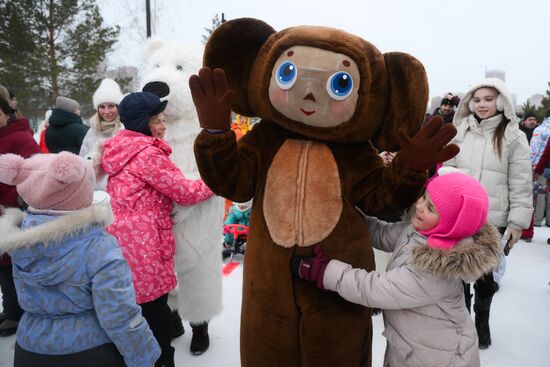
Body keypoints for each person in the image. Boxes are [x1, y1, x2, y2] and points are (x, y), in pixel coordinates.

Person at [292, 172, 501, 367]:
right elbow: (383, 234)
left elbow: (373, 289)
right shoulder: (424, 232)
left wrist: (324, 271)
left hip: (437, 359)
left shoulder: (435, 271)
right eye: (424, 197)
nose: (419, 206)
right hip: (414, 346)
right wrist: (350, 215)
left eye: (430, 208)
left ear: (451, 225)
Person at [0, 152, 160, 367]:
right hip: (90, 350)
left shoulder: (19, 240)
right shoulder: (98, 247)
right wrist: (144, 357)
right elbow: (119, 315)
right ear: (77, 193)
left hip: (30, 347)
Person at [102, 92, 214, 367]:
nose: (164, 126)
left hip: (122, 238)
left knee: (138, 304)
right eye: (158, 120)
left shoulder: (120, 148)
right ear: (143, 123)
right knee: (155, 310)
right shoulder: (147, 154)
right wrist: (214, 180)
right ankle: (162, 359)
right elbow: (184, 192)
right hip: (146, 240)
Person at [442, 78, 532, 349]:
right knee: (456, 275)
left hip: (493, 219)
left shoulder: (514, 136)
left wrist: (517, 223)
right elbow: (448, 173)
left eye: (488, 99)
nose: (482, 104)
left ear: (501, 101)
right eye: (477, 99)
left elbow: (520, 181)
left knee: (485, 277)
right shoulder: (459, 131)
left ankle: (481, 322)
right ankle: (461, 324)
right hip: (460, 216)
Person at [0, 96, 40, 337]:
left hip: (11, 213)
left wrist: (7, 202)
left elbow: (34, 174)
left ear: (6, 113)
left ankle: (17, 312)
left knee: (10, 264)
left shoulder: (21, 138)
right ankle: (10, 308)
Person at [79, 78, 124, 190]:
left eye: (111, 106)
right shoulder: (92, 131)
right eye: (102, 107)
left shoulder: (125, 129)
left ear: (118, 107)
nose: (106, 111)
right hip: (95, 191)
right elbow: (82, 159)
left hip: (120, 190)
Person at [530, 108, 550, 227]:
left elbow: (534, 149)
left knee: (540, 192)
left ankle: (537, 219)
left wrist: (532, 166)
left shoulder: (540, 129)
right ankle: (549, 220)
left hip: (540, 166)